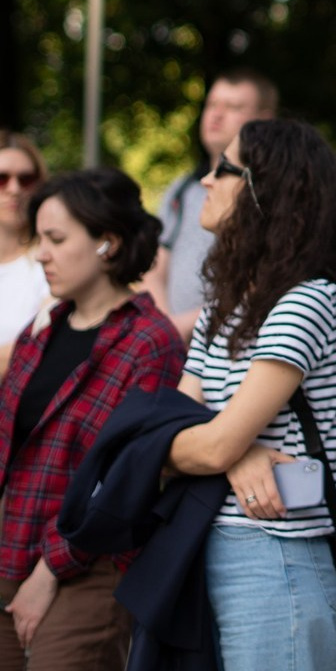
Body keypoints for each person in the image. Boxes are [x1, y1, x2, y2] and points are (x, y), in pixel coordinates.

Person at [167, 119, 336, 671]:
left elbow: (205, 442)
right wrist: (234, 450)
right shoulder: (227, 303)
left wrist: (226, 448)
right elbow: (172, 424)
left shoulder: (304, 303)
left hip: (273, 560)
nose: (206, 180)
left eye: (224, 168)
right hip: (204, 541)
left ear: (266, 189)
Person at [0, 168, 184, 670]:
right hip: (11, 544)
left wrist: (49, 571)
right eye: (39, 239)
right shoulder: (39, 334)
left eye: (56, 239)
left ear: (107, 243)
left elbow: (127, 479)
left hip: (89, 565)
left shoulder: (150, 341)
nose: (41, 255)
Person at [143, 68, 278, 340]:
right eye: (212, 104)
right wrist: (166, 326)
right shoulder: (182, 188)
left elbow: (266, 278)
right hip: (175, 344)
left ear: (264, 120)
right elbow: (155, 266)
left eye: (233, 107)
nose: (216, 115)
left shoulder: (272, 194)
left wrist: (181, 328)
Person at [0, 132, 49, 375]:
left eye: (26, 179)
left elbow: (33, 351)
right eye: (2, 178)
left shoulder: (50, 261)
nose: (14, 189)